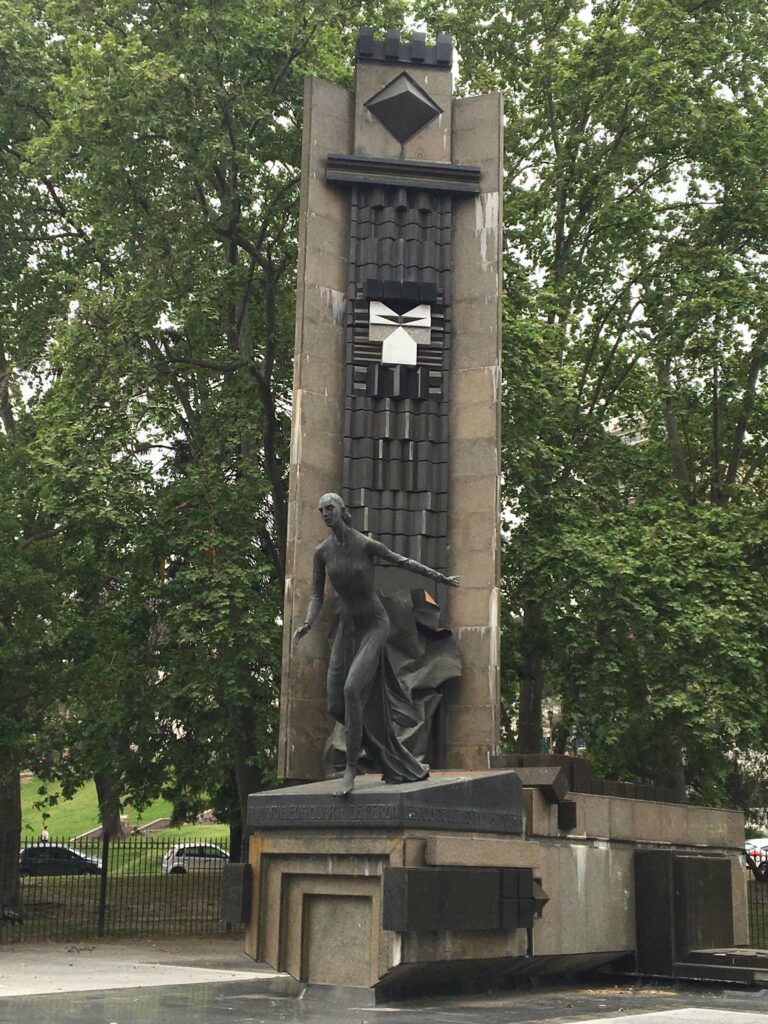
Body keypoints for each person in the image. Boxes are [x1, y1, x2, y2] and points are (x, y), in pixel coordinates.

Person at [293, 492, 459, 797]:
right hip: (349, 628)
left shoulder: (364, 544)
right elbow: (317, 594)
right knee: (336, 705)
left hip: (374, 625)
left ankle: (352, 770)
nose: (324, 514)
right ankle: (384, 750)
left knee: (352, 690)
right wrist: (307, 622)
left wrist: (440, 578)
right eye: (320, 510)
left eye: (329, 508)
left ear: (342, 511)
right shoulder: (322, 552)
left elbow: (402, 561)